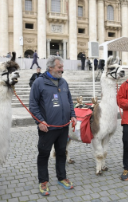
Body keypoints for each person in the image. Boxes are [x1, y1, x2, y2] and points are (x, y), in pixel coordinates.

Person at [29, 55, 76, 196]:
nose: (62, 69)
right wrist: (40, 122)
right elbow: (33, 105)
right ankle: (43, 181)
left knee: (61, 153)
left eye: (62, 67)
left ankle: (62, 177)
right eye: (59, 67)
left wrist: (72, 115)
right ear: (51, 68)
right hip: (47, 128)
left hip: (63, 127)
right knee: (44, 154)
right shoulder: (39, 83)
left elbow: (70, 100)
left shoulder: (63, 82)